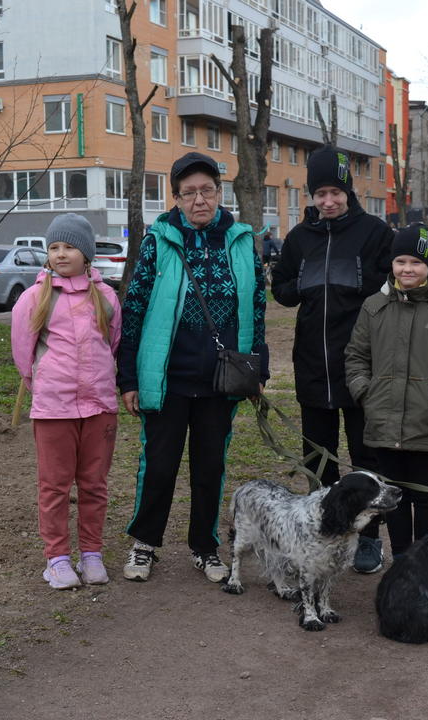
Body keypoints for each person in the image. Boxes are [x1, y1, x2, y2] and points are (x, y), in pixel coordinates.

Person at [117, 151, 269, 584]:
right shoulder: (159, 240)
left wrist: (259, 370)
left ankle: (205, 547)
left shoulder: (240, 241)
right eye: (189, 193)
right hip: (167, 378)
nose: (199, 199)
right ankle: (145, 544)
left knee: (210, 466)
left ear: (220, 194)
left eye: (207, 190)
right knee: (159, 465)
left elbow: (257, 308)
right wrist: (127, 376)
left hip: (221, 379)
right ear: (176, 198)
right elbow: (135, 309)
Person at [271, 144, 395, 573]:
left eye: (334, 192)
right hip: (311, 364)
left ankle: (368, 539)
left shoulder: (375, 233)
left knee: (366, 456)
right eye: (319, 193)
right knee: (317, 457)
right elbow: (283, 291)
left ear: (348, 191)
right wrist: (300, 281)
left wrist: (357, 280)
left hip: (362, 366)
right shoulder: (300, 238)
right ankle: (324, 531)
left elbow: (395, 284)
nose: (327, 201)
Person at [344, 223, 428, 560]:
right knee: (394, 493)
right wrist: (366, 392)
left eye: (416, 263)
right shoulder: (374, 306)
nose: (408, 269)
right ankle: (402, 559)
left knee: (424, 492)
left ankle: (427, 559)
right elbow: (356, 355)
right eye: (401, 261)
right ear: (392, 264)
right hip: (384, 417)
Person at [11, 213, 122, 590]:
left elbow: (113, 344)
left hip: (99, 408)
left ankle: (91, 554)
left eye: (69, 247)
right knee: (54, 486)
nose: (60, 254)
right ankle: (57, 558)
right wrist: (43, 385)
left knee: (94, 484)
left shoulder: (105, 298)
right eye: (54, 247)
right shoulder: (34, 298)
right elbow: (24, 354)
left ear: (86, 254)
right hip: (54, 409)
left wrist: (99, 382)